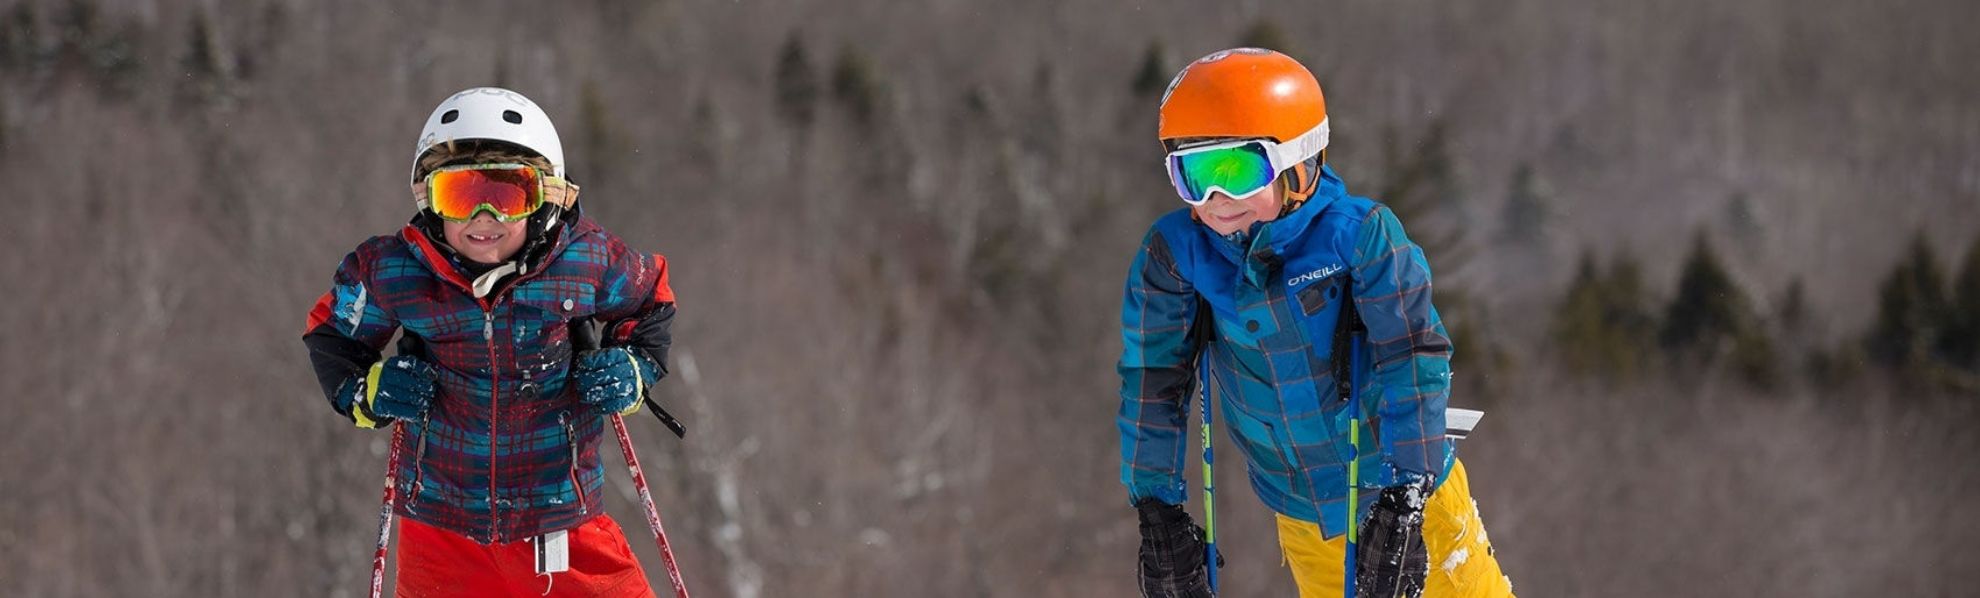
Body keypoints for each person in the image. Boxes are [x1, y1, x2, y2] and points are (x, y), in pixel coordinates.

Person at [1118, 48, 1515, 598]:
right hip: (1303, 515)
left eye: (1235, 170)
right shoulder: (1177, 254)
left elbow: (1413, 357)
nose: (1216, 200)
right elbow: (1153, 381)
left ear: (1298, 161)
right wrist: (1157, 508)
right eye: (1194, 175)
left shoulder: (1358, 237)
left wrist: (1404, 500)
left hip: (1407, 496)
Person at [302, 87, 676, 597]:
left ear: (546, 196)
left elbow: (651, 300)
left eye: (506, 195)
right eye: (459, 195)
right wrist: (369, 392)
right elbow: (332, 334)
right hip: (440, 527)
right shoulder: (394, 270)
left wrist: (631, 368)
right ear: (428, 200)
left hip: (559, 521)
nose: (484, 218)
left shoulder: (586, 261)